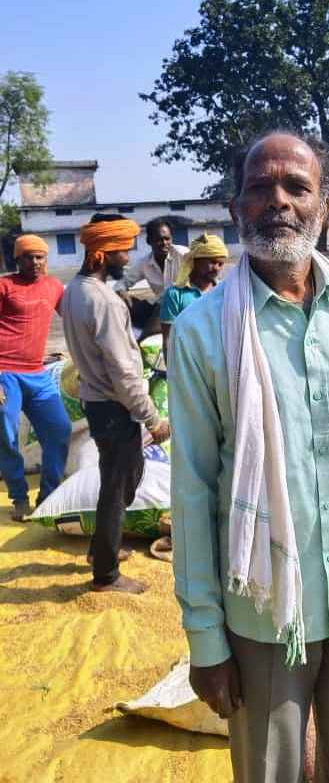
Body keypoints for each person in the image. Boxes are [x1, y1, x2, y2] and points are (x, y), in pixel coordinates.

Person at [169, 132, 329, 783]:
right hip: (265, 615)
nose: (277, 200)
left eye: (296, 187)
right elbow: (192, 490)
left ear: (324, 204)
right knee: (268, 780)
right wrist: (205, 638)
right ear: (237, 207)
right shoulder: (202, 331)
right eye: (260, 187)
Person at [61, 214, 170, 594]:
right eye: (122, 250)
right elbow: (124, 373)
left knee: (120, 479)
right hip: (114, 406)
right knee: (118, 484)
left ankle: (100, 549)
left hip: (96, 402)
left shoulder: (73, 291)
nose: (128, 256)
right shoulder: (104, 301)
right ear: (102, 253)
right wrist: (153, 419)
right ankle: (106, 575)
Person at [0, 235, 71, 520]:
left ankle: (48, 495)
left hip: (38, 374)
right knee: (6, 435)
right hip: (5, 373)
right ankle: (19, 497)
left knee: (59, 430)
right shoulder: (5, 286)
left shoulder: (54, 287)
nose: (35, 262)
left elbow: (74, 317)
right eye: (28, 257)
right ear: (17, 259)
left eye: (39, 257)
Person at [160, 233, 229, 363]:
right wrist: (172, 369)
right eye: (212, 262)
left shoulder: (224, 292)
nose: (216, 268)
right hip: (189, 364)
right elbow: (168, 339)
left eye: (220, 264)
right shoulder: (175, 295)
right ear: (195, 261)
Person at [115, 218, 188, 340]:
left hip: (185, 305)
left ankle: (143, 340)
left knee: (165, 304)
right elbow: (122, 283)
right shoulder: (144, 263)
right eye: (159, 240)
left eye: (167, 239)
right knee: (122, 303)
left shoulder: (183, 254)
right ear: (149, 241)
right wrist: (122, 291)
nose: (164, 243)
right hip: (160, 306)